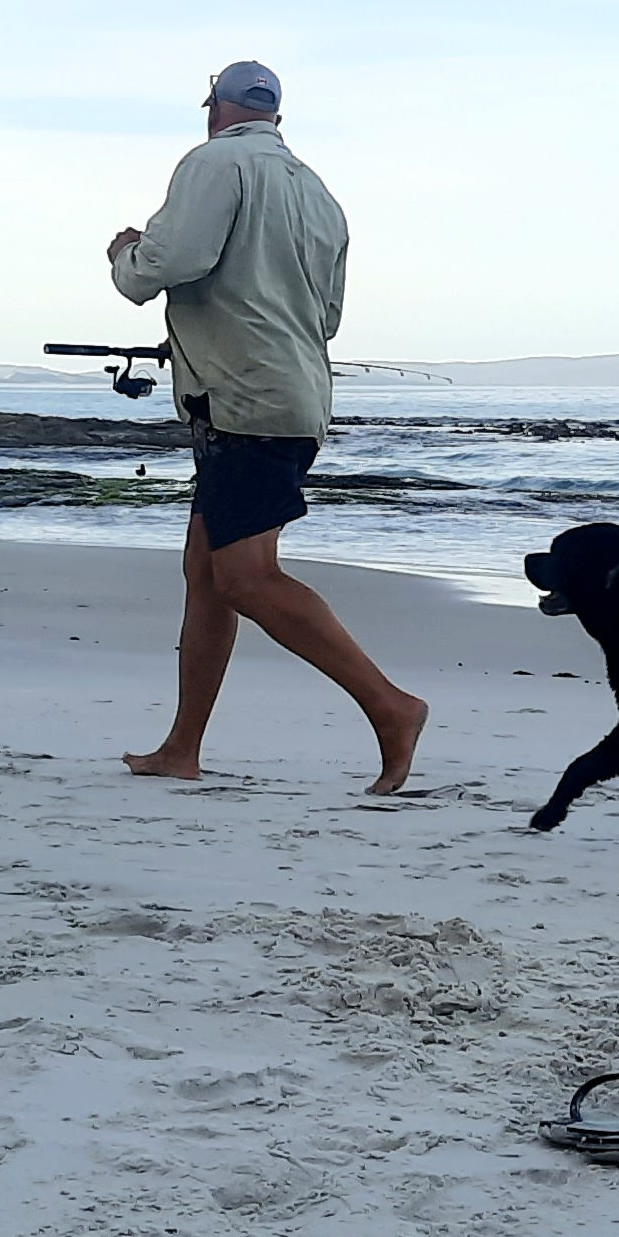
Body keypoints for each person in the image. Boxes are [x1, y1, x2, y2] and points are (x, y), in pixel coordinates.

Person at [108, 60, 428, 794]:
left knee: (245, 579)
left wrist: (124, 254)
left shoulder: (213, 162)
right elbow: (326, 318)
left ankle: (391, 707)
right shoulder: (317, 192)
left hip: (243, 401)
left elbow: (167, 263)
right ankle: (181, 748)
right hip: (292, 394)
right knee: (206, 572)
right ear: (273, 115)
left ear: (215, 107)